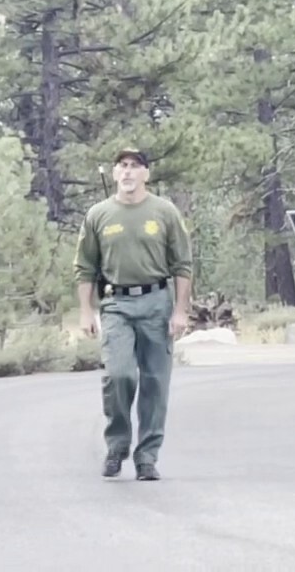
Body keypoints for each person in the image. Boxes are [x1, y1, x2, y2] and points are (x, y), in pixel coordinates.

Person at [73, 147, 193, 481]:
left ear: (146, 174)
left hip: (156, 302)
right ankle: (117, 444)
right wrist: (86, 311)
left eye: (134, 166)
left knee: (155, 383)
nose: (127, 172)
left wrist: (180, 311)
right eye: (121, 166)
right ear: (114, 174)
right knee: (119, 375)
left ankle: (147, 457)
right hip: (117, 305)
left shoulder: (164, 212)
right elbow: (85, 267)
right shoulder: (99, 215)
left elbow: (182, 264)